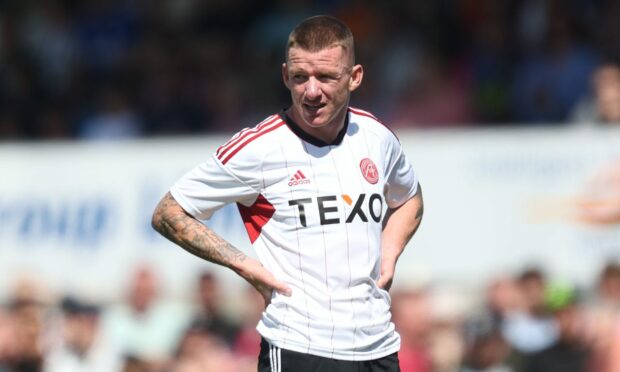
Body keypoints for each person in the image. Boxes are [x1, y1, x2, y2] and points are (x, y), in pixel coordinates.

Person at [152, 15, 424, 372]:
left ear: (354, 77)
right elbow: (168, 213)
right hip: (299, 346)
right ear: (285, 76)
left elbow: (409, 199)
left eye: (325, 77)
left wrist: (389, 253)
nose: (311, 91)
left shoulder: (377, 138)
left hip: (378, 347)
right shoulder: (259, 148)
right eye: (300, 77)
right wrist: (245, 266)